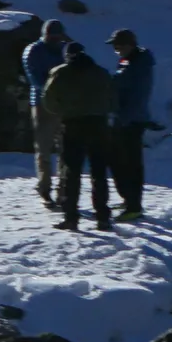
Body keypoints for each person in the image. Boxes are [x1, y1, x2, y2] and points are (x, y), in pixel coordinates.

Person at [38, 40, 118, 231]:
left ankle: (71, 217)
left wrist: (63, 112)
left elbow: (48, 100)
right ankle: (103, 217)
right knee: (98, 172)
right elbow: (114, 100)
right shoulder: (101, 72)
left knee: (71, 172)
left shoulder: (60, 72)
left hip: (73, 124)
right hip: (98, 125)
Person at [104, 28, 156, 222]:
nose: (116, 49)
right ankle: (128, 199)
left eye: (119, 45)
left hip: (131, 120)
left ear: (130, 44)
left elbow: (136, 95)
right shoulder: (128, 61)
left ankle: (134, 205)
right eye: (114, 46)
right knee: (118, 161)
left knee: (131, 163)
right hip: (123, 118)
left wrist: (123, 118)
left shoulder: (139, 64)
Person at [19, 20, 76, 189]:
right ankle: (45, 185)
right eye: (51, 37)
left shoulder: (65, 49)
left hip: (65, 105)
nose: (54, 40)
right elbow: (36, 79)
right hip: (42, 104)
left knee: (65, 147)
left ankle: (63, 186)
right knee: (44, 147)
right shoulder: (33, 51)